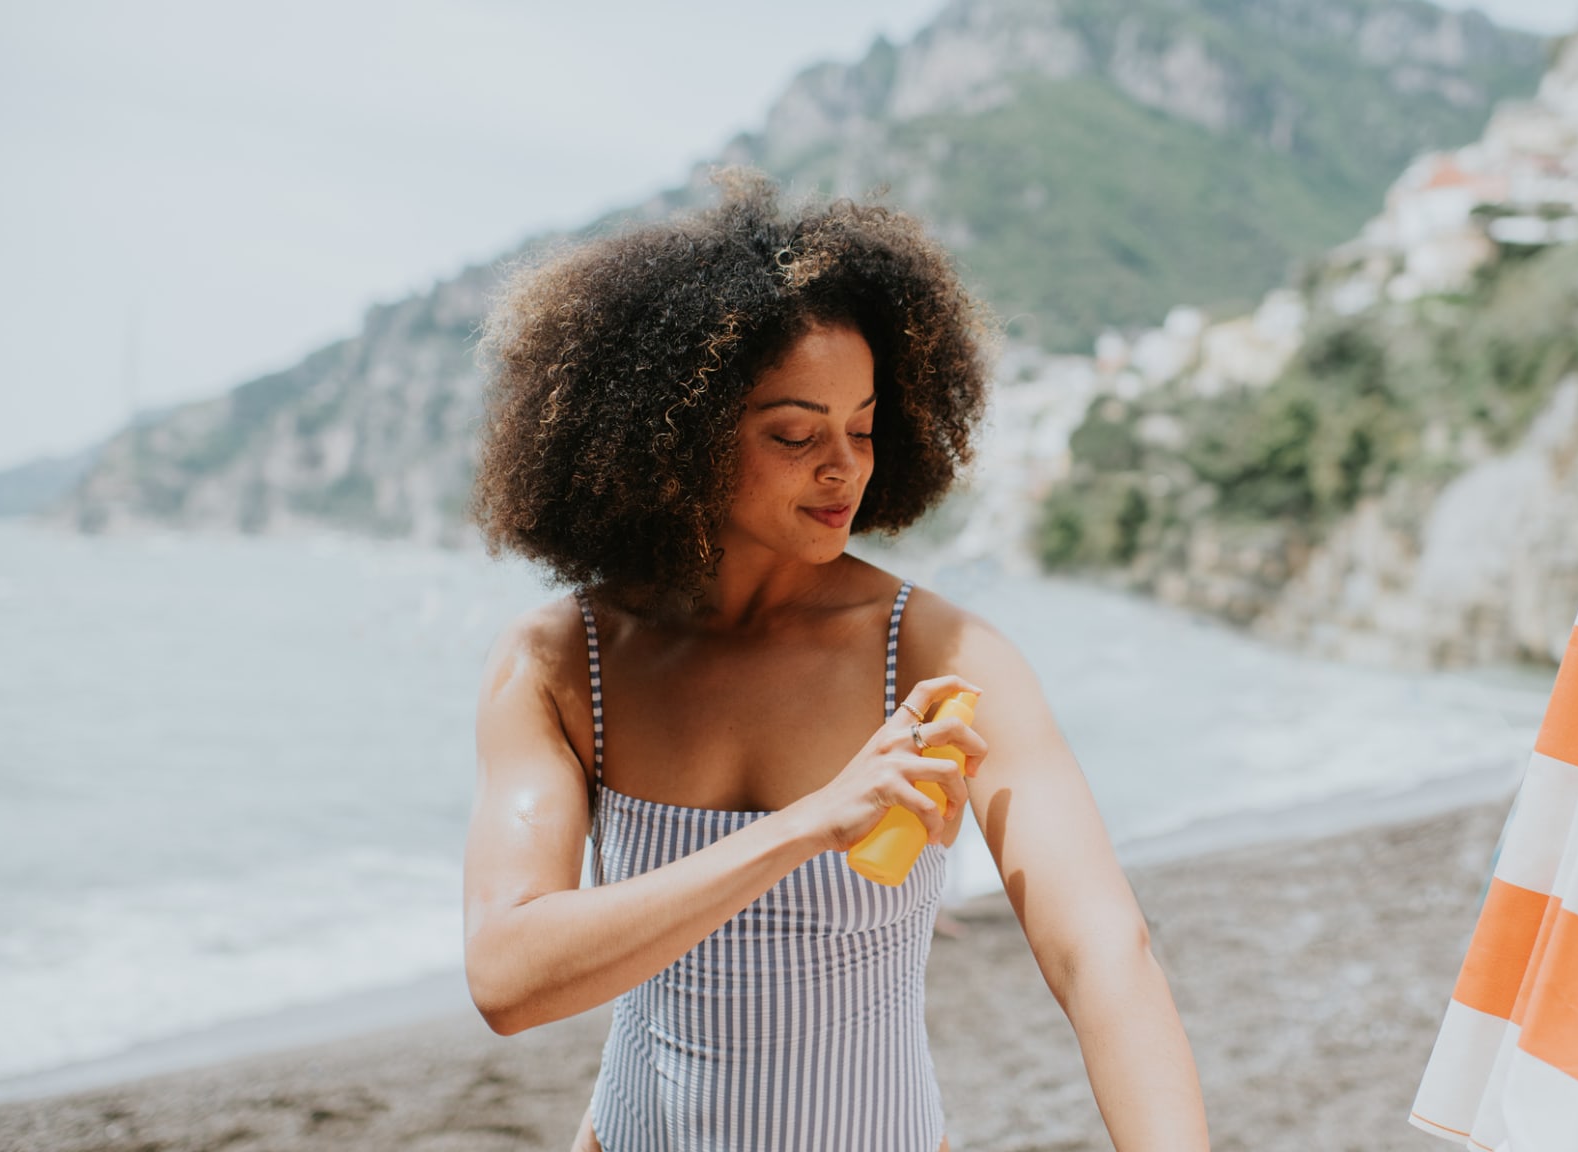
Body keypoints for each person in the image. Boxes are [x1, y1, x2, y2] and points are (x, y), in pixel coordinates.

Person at [459, 167, 1209, 1151]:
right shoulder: (563, 662)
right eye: (793, 433)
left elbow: (1102, 951)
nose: (842, 466)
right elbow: (507, 979)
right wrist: (812, 824)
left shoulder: (939, 655)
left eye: (861, 428)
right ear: (673, 436)